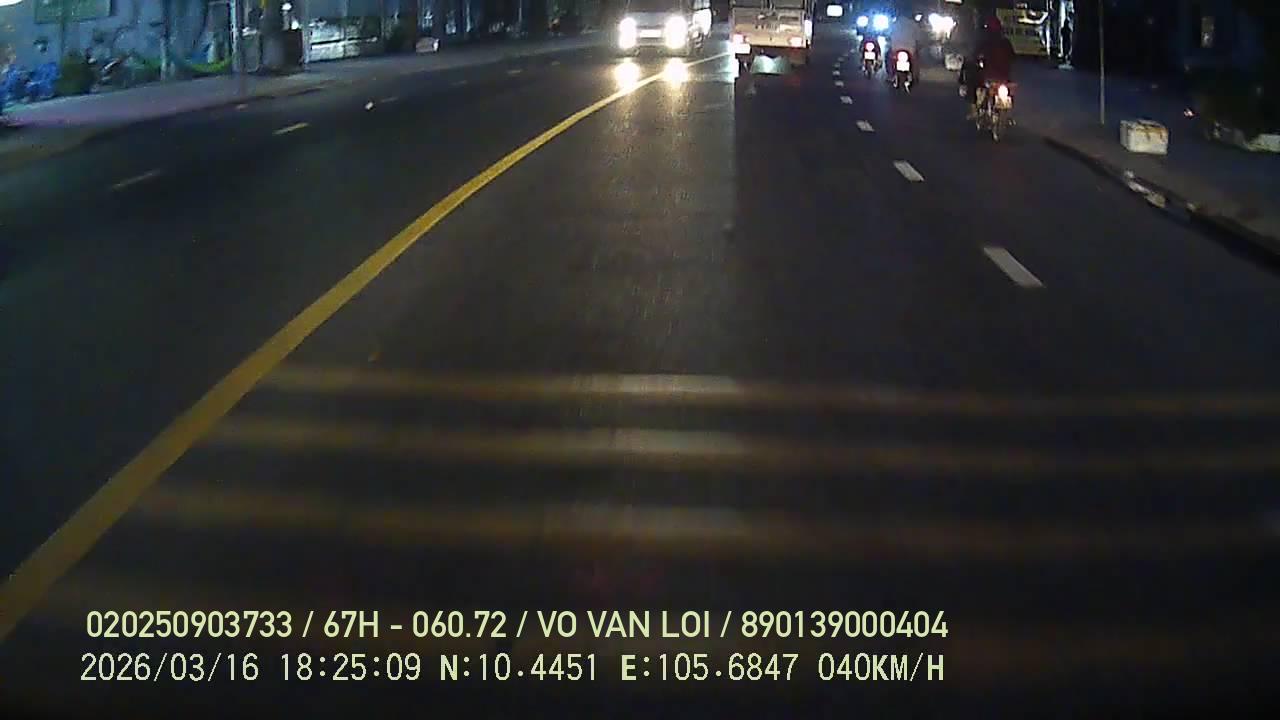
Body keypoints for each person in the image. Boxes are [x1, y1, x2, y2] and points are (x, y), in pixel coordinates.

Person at [961, 15, 1015, 118]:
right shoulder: (1006, 42)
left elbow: (974, 55)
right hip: (1004, 77)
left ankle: (974, 108)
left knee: (972, 80)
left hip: (989, 76)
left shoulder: (984, 42)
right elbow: (1013, 58)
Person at [887, 16, 924, 83]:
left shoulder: (894, 24)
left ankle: (890, 75)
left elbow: (888, 35)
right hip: (910, 49)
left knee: (888, 58)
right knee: (916, 59)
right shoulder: (914, 25)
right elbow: (919, 38)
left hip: (896, 48)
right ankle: (915, 75)